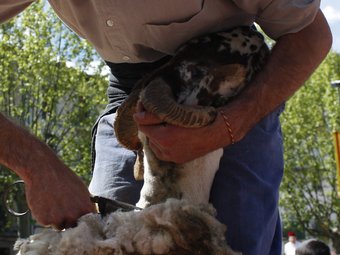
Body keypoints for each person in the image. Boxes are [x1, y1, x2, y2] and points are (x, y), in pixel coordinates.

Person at [0, 1, 332, 254]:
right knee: (105, 242)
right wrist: (36, 166)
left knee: (231, 241)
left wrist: (227, 127)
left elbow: (310, 34)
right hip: (132, 95)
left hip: (228, 87)